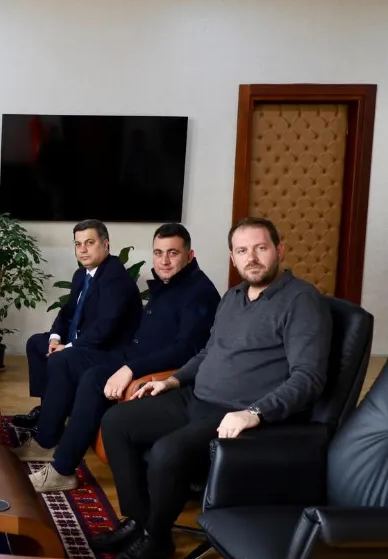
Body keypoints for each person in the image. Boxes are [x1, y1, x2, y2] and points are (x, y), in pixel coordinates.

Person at [95, 217, 332, 559]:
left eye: (260, 248)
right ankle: (139, 521)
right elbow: (208, 352)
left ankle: (157, 539)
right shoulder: (233, 296)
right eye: (242, 251)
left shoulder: (301, 301)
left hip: (236, 412)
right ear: (233, 258)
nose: (252, 258)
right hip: (195, 398)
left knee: (166, 452)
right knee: (116, 422)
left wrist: (254, 413)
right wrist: (172, 381)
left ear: (279, 250)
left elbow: (308, 378)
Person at [15, 224, 221, 493]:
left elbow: (187, 350)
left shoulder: (199, 293)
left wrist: (130, 368)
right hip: (131, 355)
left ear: (190, 255)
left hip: (149, 366)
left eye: (173, 253)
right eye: (158, 253)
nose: (164, 260)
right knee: (66, 361)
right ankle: (48, 440)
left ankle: (62, 470)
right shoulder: (170, 284)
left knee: (92, 377)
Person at [12, 219, 143, 430]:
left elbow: (104, 328)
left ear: (106, 244)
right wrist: (55, 337)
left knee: (61, 357)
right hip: (82, 339)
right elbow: (67, 311)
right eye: (78, 244)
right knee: (37, 343)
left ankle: (49, 427)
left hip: (107, 349)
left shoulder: (116, 279)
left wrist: (69, 346)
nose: (82, 250)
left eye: (89, 243)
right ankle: (48, 408)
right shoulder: (81, 274)